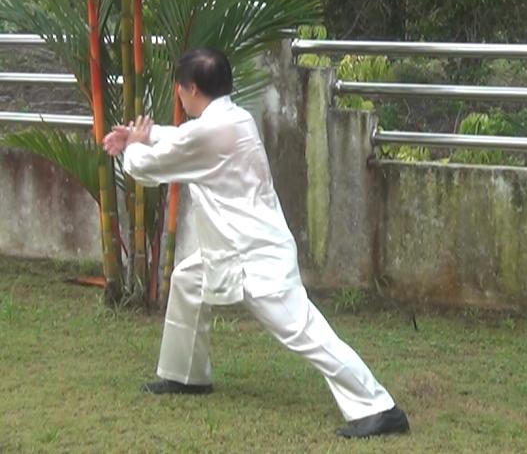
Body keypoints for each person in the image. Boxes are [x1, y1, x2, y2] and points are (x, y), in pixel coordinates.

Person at [102, 48, 409, 439]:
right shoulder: (232, 118)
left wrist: (134, 147)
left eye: (180, 89)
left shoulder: (213, 130)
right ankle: (186, 376)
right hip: (235, 249)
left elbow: (148, 169)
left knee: (305, 331)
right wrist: (141, 136)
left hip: (255, 257)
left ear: (192, 89)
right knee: (187, 280)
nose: (178, 96)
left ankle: (380, 407)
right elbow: (184, 137)